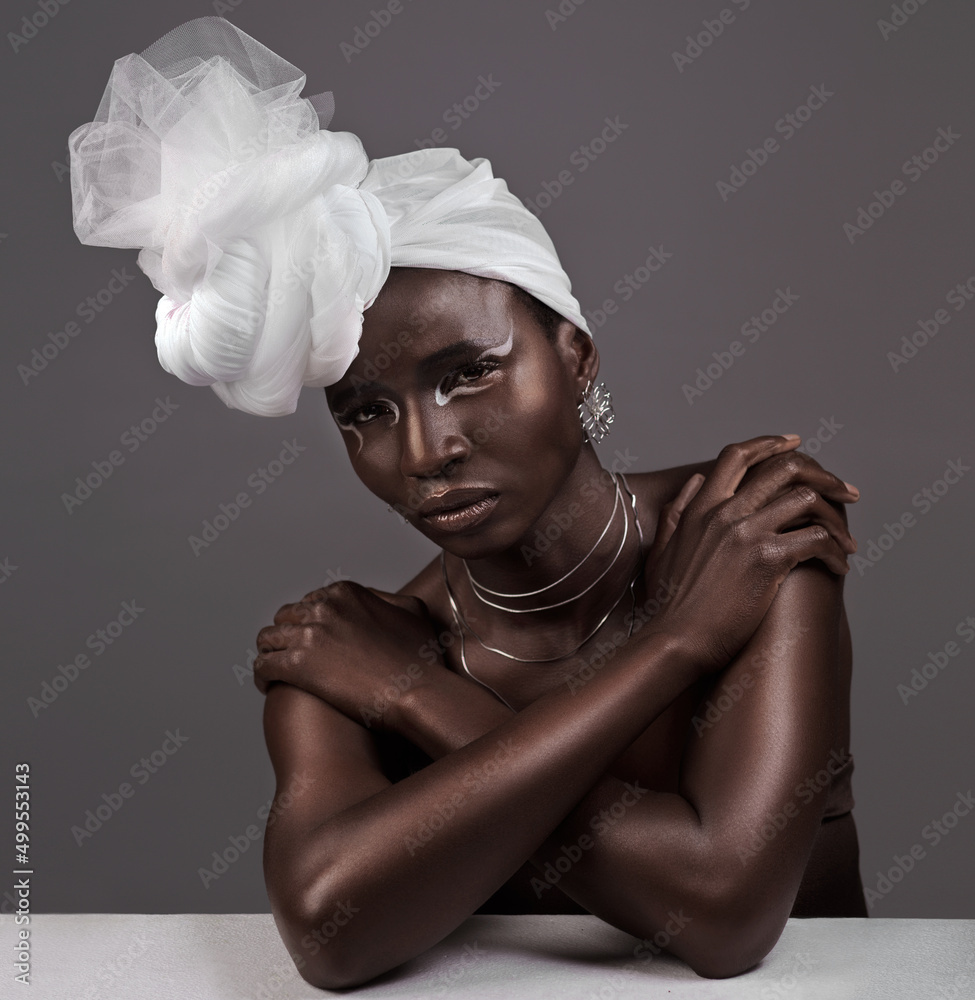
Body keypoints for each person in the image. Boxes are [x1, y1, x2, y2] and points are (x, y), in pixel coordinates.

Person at [67, 15, 864, 991]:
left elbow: (723, 910)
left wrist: (421, 700)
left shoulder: (743, 532)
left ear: (573, 354)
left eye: (467, 373)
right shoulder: (349, 645)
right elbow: (329, 933)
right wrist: (674, 647)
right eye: (365, 410)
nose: (426, 449)